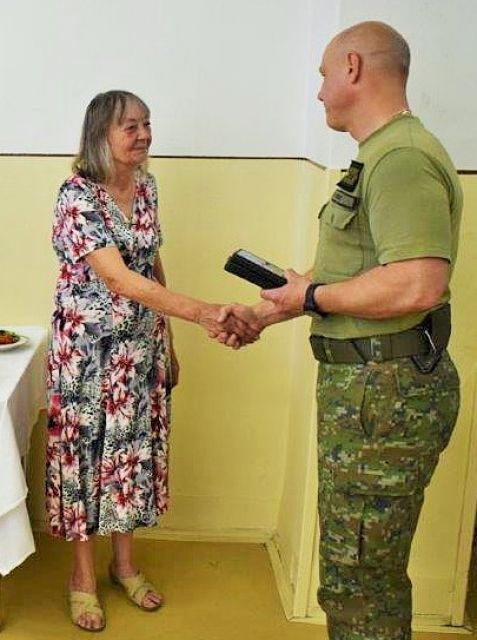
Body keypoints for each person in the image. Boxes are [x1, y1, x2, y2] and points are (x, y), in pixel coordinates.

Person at [217, 21, 462, 640]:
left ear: (353, 67)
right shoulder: (381, 154)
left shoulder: (401, 159)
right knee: (356, 570)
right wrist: (275, 308)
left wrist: (312, 295)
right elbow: (359, 281)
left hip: (385, 396)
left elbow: (417, 283)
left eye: (324, 75)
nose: (321, 91)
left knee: (361, 579)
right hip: (371, 392)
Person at [46, 90, 252, 631]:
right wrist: (202, 312)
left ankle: (124, 566)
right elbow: (118, 278)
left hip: (139, 350)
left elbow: (151, 260)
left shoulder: (146, 187)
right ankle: (82, 578)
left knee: (130, 457)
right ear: (100, 135)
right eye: (130, 126)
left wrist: (169, 340)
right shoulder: (76, 195)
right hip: (87, 355)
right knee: (85, 460)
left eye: (147, 124)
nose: (143, 135)